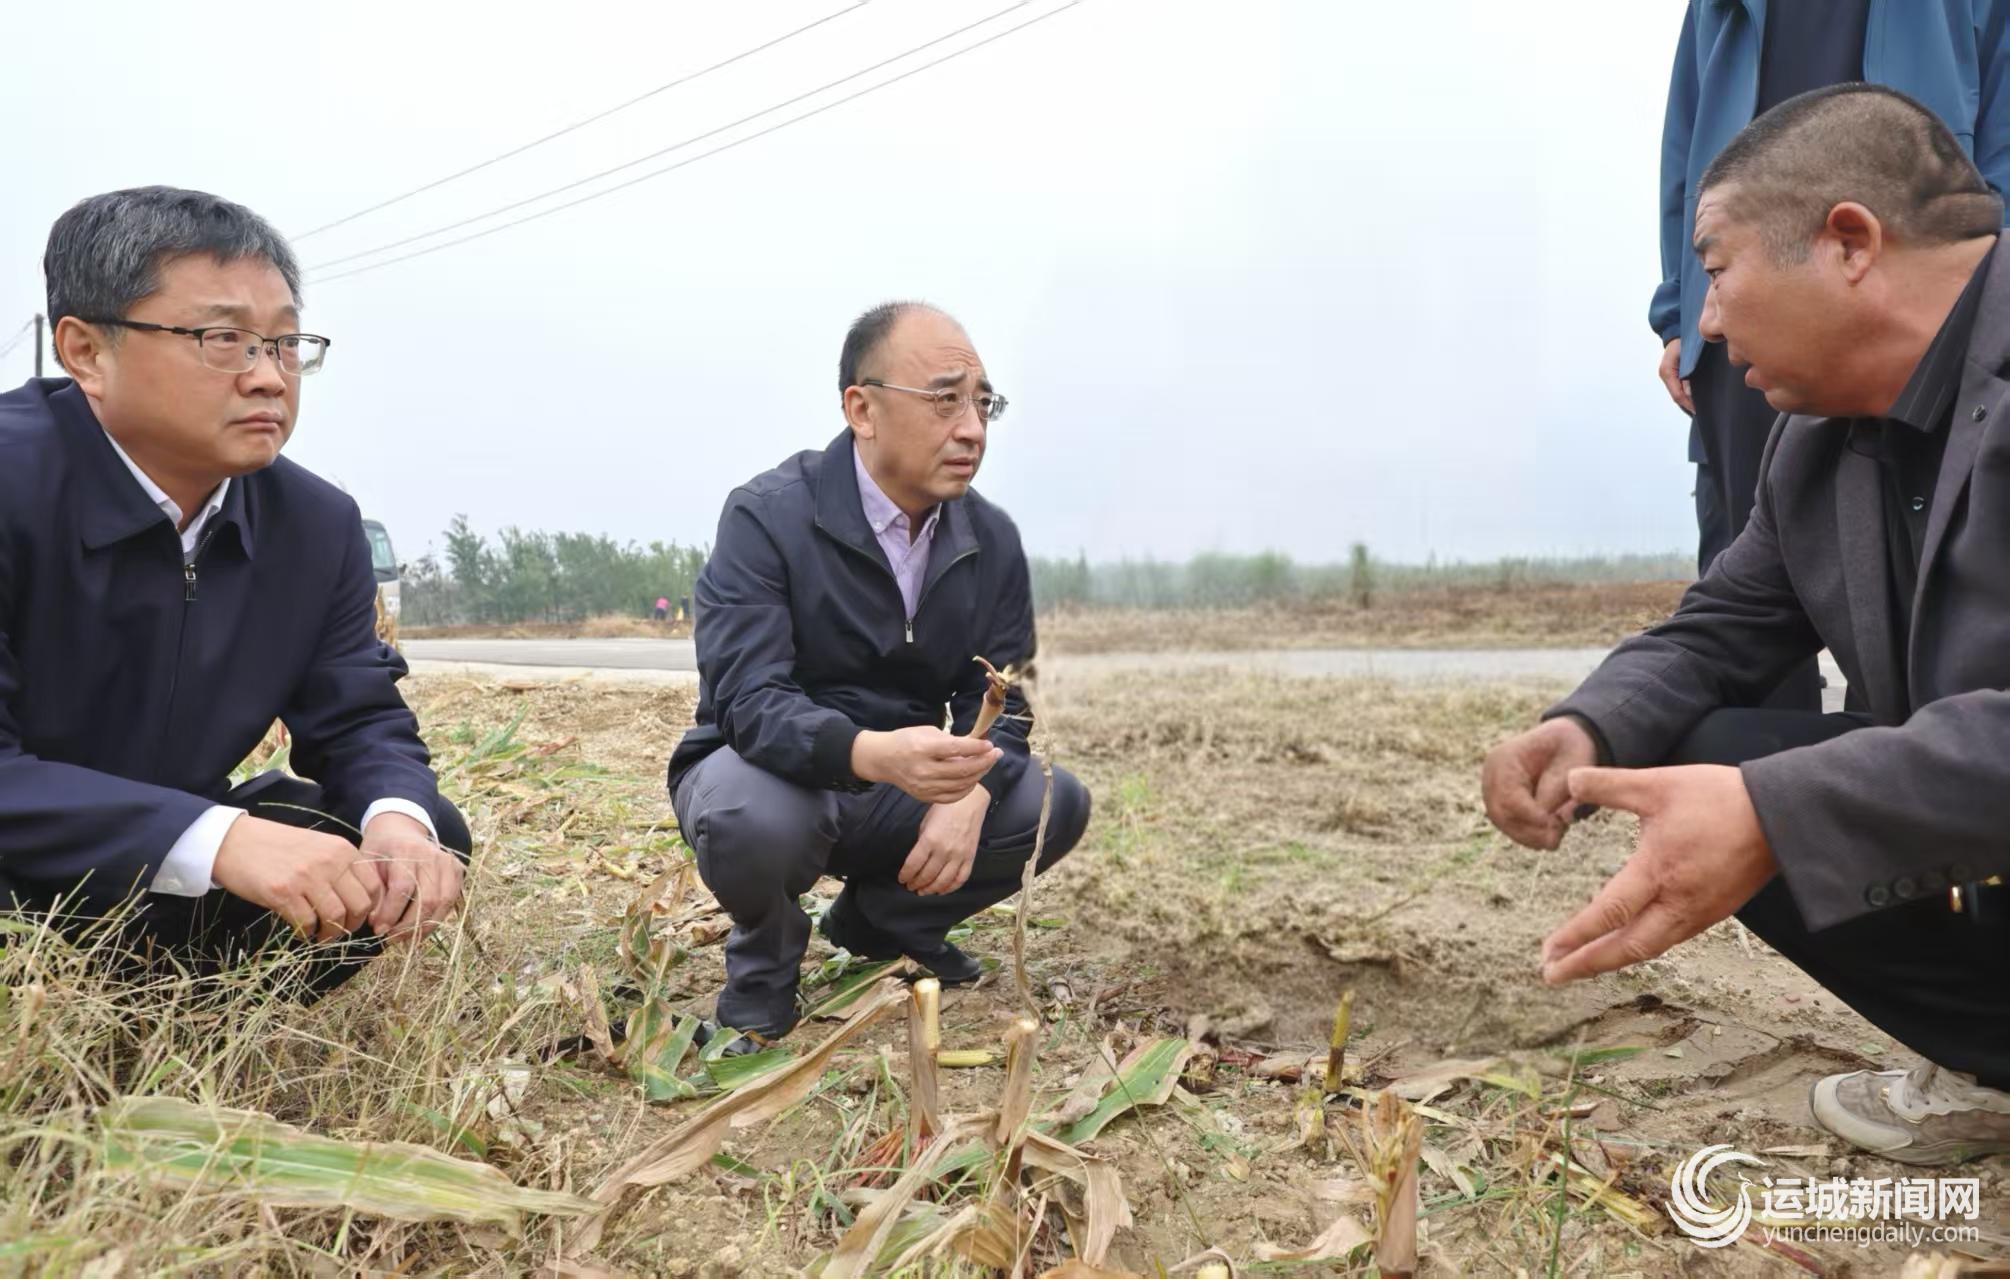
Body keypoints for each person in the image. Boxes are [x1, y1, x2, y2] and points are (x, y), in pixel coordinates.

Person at [1485, 87, 2010, 1165]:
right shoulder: (1816, 442)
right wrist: (1585, 727)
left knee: (1767, 797)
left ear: (1849, 243)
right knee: (1704, 747)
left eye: (1716, 270)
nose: (1707, 323)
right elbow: (1722, 627)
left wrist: (1782, 812)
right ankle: (1995, 1065)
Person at [0, 187, 469, 997]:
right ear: (85, 351)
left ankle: (178, 1014)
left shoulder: (315, 524)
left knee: (401, 836)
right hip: (26, 855)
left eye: (285, 343)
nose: (268, 378)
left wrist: (398, 820)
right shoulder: (15, 481)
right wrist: (217, 837)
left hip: (162, 867)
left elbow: (356, 717)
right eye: (224, 340)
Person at [667, 302, 1092, 1046]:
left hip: (903, 784)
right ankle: (765, 966)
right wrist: (870, 751)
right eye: (945, 399)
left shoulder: (990, 538)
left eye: (983, 404)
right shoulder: (767, 517)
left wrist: (974, 789)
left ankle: (883, 922)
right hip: (775, 774)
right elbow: (748, 700)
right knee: (748, 812)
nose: (972, 428)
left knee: (1053, 802)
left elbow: (1007, 692)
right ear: (861, 409)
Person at [1651, 0, 2010, 711]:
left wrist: (1982, 273)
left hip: (1931, 299)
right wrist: (1681, 308)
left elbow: (2001, 102)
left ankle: (1885, 741)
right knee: (1751, 587)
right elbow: (1684, 144)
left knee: (1943, 576)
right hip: (1760, 303)